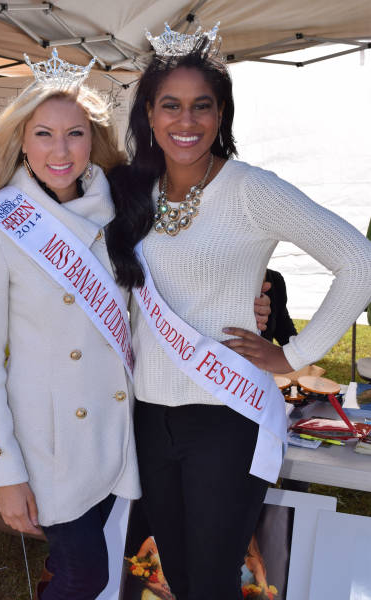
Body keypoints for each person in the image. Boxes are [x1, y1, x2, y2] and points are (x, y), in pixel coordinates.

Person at [106, 25, 371, 600]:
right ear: (148, 114)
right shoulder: (130, 190)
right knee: (176, 575)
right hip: (150, 417)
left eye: (203, 106)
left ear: (221, 113)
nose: (187, 121)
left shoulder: (252, 189)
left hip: (227, 415)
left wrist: (293, 356)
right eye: (170, 105)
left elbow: (359, 261)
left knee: (212, 583)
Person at [0, 54, 142, 600]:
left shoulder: (120, 209)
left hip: (113, 431)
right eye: (44, 134)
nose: (61, 151)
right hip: (49, 444)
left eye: (75, 134)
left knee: (76, 571)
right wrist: (3, 472)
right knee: (87, 577)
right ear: (22, 140)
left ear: (92, 140)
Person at [261, 269, 297, 346]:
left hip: (265, 356)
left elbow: (282, 324)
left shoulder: (275, 279)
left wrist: (297, 351)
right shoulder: (231, 277)